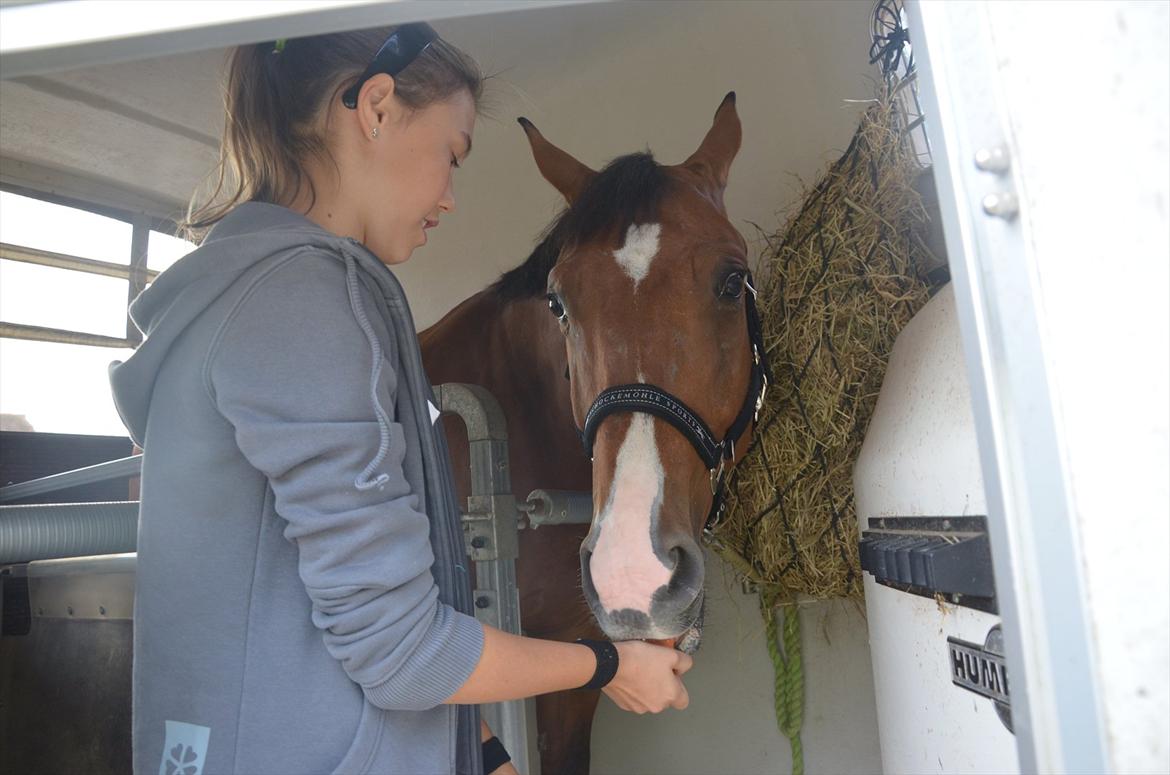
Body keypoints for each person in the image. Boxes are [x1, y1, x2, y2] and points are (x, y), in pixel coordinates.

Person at [109, 22, 690, 775]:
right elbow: (402, 652)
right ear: (377, 107)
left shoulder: (242, 296)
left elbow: (331, 604)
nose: (450, 198)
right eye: (452, 154)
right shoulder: (306, 304)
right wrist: (609, 664)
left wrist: (479, 753)